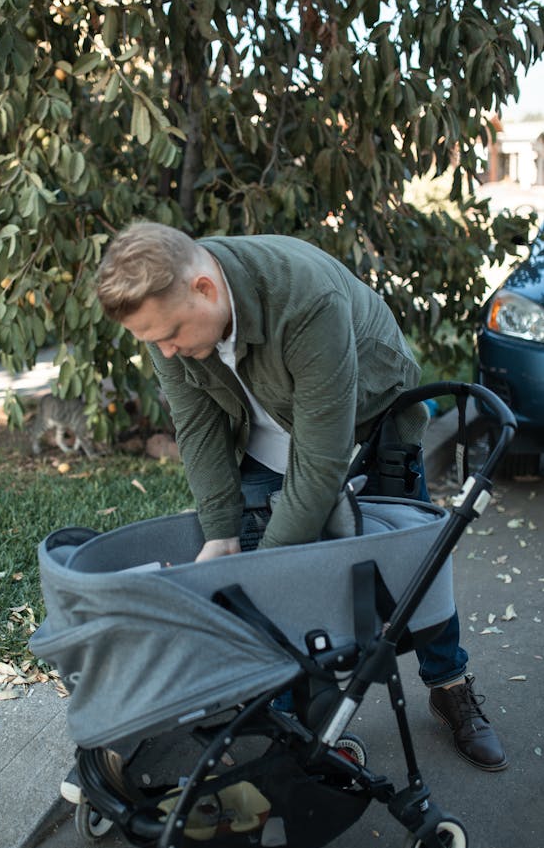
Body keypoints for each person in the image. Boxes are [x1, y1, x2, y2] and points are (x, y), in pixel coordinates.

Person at [96, 221, 507, 771]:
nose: (166, 350)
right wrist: (220, 531)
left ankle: (449, 683)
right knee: (264, 585)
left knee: (413, 566)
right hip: (266, 443)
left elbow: (321, 459)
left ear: (204, 289)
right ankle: (294, 724)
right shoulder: (165, 321)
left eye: (169, 334)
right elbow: (196, 429)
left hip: (365, 429)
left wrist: (271, 569)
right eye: (154, 342)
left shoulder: (304, 296)